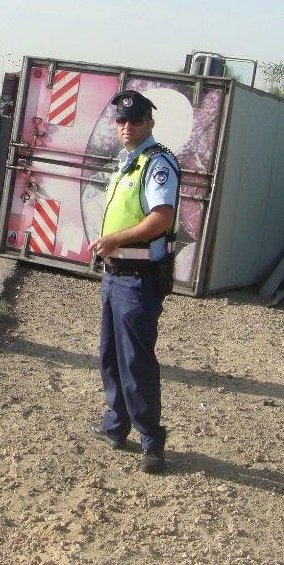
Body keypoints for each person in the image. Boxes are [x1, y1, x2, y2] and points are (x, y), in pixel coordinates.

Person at [87, 89, 180, 474]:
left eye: (135, 120)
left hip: (138, 278)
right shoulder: (128, 163)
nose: (126, 126)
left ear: (150, 123)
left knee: (136, 361)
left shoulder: (157, 164)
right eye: (121, 120)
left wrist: (115, 240)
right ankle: (116, 425)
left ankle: (151, 441)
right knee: (110, 356)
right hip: (114, 276)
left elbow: (162, 218)